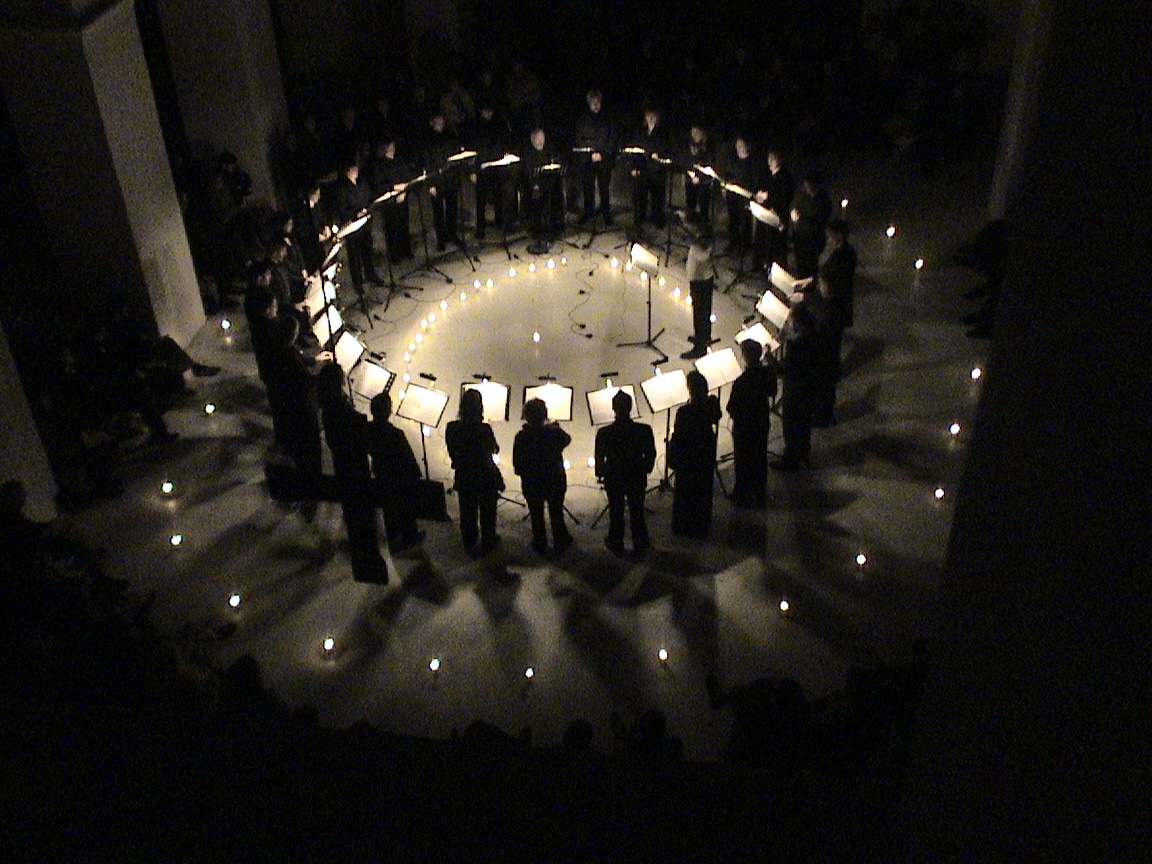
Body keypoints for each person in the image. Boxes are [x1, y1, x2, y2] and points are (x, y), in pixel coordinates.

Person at [317, 363, 388, 583]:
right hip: (354, 468)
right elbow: (359, 439)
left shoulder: (328, 405)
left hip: (343, 466)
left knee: (355, 515)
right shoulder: (340, 410)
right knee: (362, 517)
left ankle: (364, 558)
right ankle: (368, 564)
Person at [595, 390, 656, 559]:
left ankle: (616, 542)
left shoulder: (604, 432)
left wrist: (602, 473)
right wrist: (644, 469)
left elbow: (599, 458)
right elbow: (650, 454)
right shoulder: (643, 429)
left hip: (614, 476)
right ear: (631, 407)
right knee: (637, 510)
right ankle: (640, 542)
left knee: (616, 511)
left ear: (614, 408)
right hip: (636, 475)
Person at [445, 388, 502, 557]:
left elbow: (452, 450)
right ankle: (488, 540)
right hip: (485, 475)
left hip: (464, 474)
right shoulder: (484, 428)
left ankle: (469, 541)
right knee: (487, 510)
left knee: (467, 509)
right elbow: (495, 449)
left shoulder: (452, 428)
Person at [512, 398, 574, 556]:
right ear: (544, 414)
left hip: (532, 482)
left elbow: (517, 465)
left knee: (536, 514)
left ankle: (540, 542)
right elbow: (567, 440)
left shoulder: (521, 437)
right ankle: (561, 539)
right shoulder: (554, 432)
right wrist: (555, 428)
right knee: (556, 512)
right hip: (555, 479)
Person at [812, 218, 857, 425]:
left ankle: (823, 413)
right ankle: (823, 408)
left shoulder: (841, 258)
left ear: (838, 235)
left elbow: (829, 291)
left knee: (826, 365)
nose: (828, 238)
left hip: (832, 315)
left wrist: (821, 282)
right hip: (837, 314)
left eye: (831, 234)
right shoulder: (848, 252)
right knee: (830, 359)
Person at [368, 393, 425, 552]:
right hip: (399, 476)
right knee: (405, 506)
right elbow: (408, 458)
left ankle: (392, 535)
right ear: (388, 411)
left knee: (389, 507)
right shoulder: (396, 434)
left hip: (381, 472)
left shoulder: (368, 429)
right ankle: (409, 536)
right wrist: (416, 476)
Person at [669, 370, 722, 537]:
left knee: (686, 490)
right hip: (705, 452)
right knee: (703, 488)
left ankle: (684, 525)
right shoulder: (712, 403)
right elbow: (717, 416)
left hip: (688, 456)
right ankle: (702, 524)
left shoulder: (684, 411)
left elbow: (678, 436)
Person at [773, 300, 824, 472]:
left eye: (791, 322)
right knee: (804, 423)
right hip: (810, 390)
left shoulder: (797, 345)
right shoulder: (815, 336)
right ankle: (803, 452)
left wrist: (769, 358)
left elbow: (784, 370)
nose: (789, 324)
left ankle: (790, 461)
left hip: (795, 390)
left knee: (791, 425)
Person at [726, 339, 777, 507]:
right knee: (760, 456)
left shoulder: (742, 380)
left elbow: (731, 408)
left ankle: (742, 493)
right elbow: (772, 391)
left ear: (745, 357)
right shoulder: (767, 373)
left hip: (744, 426)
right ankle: (760, 492)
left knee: (743, 460)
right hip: (761, 421)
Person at [573, 89, 617, 226]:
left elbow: (612, 138)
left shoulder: (608, 118)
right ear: (588, 103)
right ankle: (588, 213)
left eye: (597, 102)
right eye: (593, 103)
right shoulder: (582, 120)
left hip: (604, 159)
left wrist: (602, 154)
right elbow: (579, 139)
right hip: (588, 160)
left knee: (604, 188)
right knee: (588, 188)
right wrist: (591, 154)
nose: (596, 105)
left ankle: (606, 213)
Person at [422, 111, 463, 251]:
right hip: (437, 179)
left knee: (452, 208)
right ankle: (441, 239)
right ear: (432, 122)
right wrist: (430, 184)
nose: (441, 124)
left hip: (450, 177)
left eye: (442, 121)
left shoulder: (450, 135)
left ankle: (452, 233)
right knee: (438, 211)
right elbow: (427, 163)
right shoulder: (427, 140)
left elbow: (456, 155)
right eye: (437, 121)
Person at [679, 215, 717, 359]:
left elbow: (701, 256)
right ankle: (703, 337)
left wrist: (688, 234)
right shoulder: (700, 238)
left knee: (700, 314)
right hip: (699, 280)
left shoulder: (704, 243)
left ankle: (700, 347)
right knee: (702, 312)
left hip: (701, 282)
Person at [628, 106, 671, 233]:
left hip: (657, 170)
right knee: (640, 195)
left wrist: (653, 154)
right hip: (642, 168)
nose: (651, 119)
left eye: (653, 116)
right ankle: (640, 219)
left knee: (657, 197)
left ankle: (657, 219)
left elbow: (664, 150)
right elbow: (636, 150)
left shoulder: (663, 132)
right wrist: (634, 167)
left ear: (657, 118)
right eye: (648, 116)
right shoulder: (640, 132)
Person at [520, 127, 564, 244]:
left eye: (542, 138)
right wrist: (535, 185)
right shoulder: (528, 155)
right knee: (537, 197)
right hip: (534, 186)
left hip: (548, 183)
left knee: (556, 191)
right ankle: (537, 229)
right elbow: (527, 174)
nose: (540, 141)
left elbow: (556, 163)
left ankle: (555, 225)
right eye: (537, 139)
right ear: (532, 140)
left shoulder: (549, 150)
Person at [751, 149, 794, 271]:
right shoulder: (766, 173)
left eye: (773, 159)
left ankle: (775, 269)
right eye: (769, 158)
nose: (769, 161)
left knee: (776, 244)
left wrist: (768, 196)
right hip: (764, 212)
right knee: (760, 238)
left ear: (780, 160)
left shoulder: (785, 176)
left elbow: (785, 196)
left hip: (777, 214)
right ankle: (758, 265)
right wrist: (758, 194)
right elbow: (759, 186)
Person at [789, 171, 832, 278]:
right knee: (800, 264)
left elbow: (820, 220)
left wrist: (802, 218)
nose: (807, 189)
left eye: (809, 187)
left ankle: (810, 289)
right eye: (805, 186)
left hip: (813, 240)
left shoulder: (824, 201)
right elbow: (795, 206)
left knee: (810, 267)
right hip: (800, 237)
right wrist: (793, 212)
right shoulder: (803, 197)